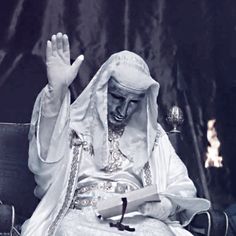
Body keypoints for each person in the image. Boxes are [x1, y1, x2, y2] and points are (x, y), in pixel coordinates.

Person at [21, 32, 210, 236]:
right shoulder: (74, 126)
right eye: (117, 97)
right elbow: (43, 169)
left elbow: (181, 186)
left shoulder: (153, 137)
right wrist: (56, 92)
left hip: (138, 220)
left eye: (134, 103)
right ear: (102, 90)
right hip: (82, 217)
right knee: (69, 231)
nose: (123, 111)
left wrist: (165, 203)